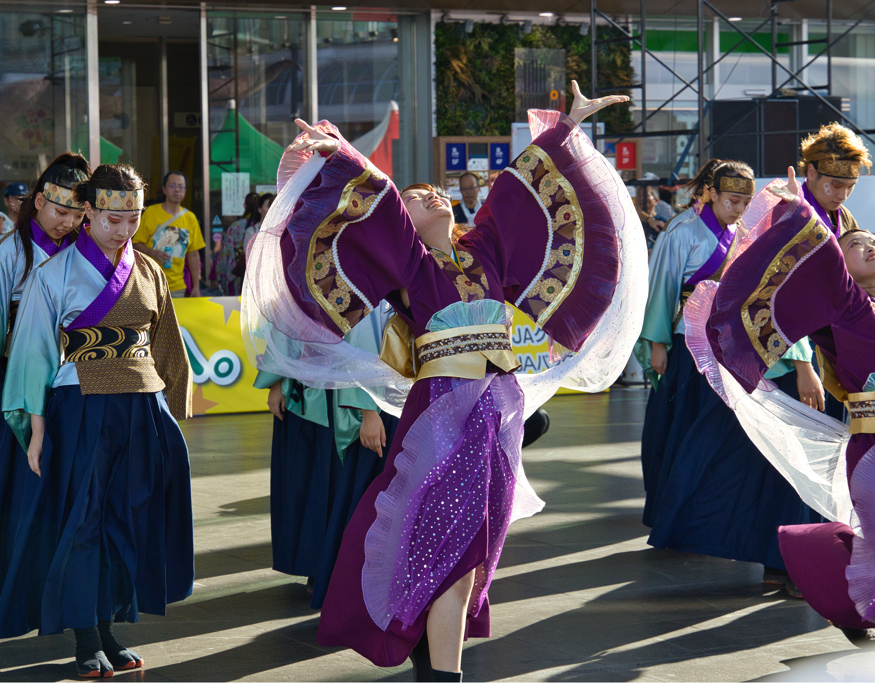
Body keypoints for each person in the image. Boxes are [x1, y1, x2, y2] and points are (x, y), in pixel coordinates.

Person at [242, 81, 643, 680]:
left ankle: (434, 663)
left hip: (499, 409)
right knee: (453, 550)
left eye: (434, 189)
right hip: (445, 407)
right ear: (400, 221)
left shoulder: (484, 253)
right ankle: (442, 673)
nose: (430, 193)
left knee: (478, 547)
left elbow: (517, 189)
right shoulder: (411, 266)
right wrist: (334, 152)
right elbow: (369, 198)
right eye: (415, 196)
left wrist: (566, 128)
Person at [687, 167, 875, 644]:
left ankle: (842, 598)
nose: (872, 246)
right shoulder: (845, 306)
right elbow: (817, 256)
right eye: (856, 245)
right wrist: (799, 206)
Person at [0, 163, 194, 678]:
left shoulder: (149, 271)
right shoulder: (53, 274)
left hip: (143, 406)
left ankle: (108, 624)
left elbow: (168, 344)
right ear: (89, 212)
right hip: (81, 406)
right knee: (84, 521)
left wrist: (173, 408)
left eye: (133, 219)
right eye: (114, 219)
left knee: (128, 518)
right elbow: (34, 354)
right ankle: (85, 631)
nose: (124, 231)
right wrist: (35, 428)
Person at [634, 159, 820, 596]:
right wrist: (657, 341)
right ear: (710, 194)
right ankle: (676, 513)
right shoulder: (681, 232)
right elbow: (661, 285)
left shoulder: (743, 234)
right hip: (688, 344)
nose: (737, 208)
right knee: (687, 435)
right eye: (730, 199)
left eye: (744, 200)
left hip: (730, 348)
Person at [0, 153, 90, 552]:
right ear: (39, 202)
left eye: (76, 215)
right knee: (11, 477)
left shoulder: (80, 251)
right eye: (60, 211)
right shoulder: (5, 252)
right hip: (10, 377)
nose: (67, 222)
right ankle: (11, 564)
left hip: (63, 379)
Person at [256, 304, 398, 609]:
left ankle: (336, 568)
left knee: (336, 483)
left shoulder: (367, 273)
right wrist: (278, 380)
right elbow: (288, 320)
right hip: (309, 389)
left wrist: (366, 407)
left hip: (346, 396)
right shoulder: (307, 264)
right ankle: (316, 566)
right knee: (309, 482)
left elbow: (368, 341)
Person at [133, 171, 204, 297]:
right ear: (164, 189)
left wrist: (196, 287)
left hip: (177, 288)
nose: (177, 189)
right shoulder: (151, 212)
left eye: (181, 186)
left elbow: (193, 254)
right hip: (150, 284)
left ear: (185, 191)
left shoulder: (190, 218)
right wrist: (152, 253)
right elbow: (136, 244)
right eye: (172, 185)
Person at [215, 191, 258, 296]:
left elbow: (225, 253)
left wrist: (218, 276)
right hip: (257, 275)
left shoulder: (236, 226)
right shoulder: (264, 226)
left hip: (235, 274)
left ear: (245, 206)